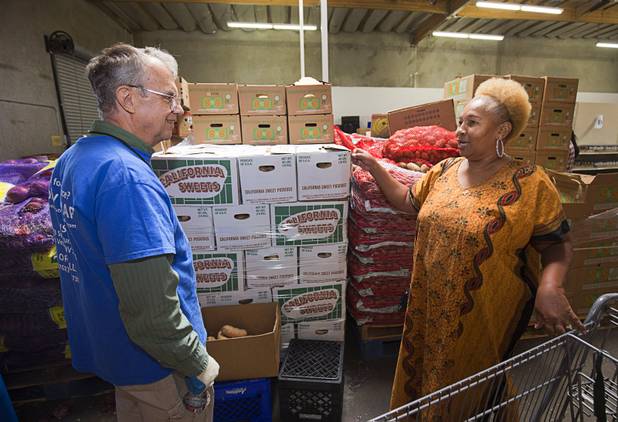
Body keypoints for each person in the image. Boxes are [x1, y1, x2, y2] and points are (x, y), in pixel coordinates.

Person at [352, 78, 585, 417]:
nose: (459, 131)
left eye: (472, 123)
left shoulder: (530, 183)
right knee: (425, 376)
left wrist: (550, 286)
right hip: (427, 307)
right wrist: (374, 167)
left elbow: (557, 243)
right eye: (461, 121)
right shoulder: (444, 171)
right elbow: (406, 201)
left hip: (483, 316)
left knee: (474, 387)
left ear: (502, 130)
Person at [49, 43, 219, 421]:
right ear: (127, 98)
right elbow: (152, 312)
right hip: (157, 367)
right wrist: (197, 367)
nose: (178, 110)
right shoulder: (125, 177)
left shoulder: (75, 158)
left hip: (115, 355)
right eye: (169, 97)